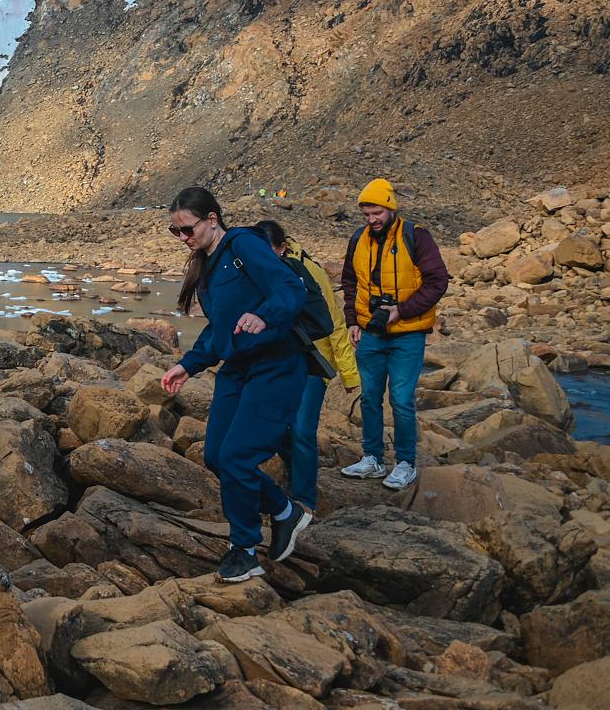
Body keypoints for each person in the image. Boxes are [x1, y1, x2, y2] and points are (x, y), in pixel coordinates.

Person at [160, 187, 311, 582]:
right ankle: (284, 511)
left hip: (275, 364)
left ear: (212, 220)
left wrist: (265, 315)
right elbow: (219, 330)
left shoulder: (244, 244)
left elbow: (290, 288)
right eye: (176, 232)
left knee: (237, 457)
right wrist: (187, 365)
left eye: (187, 229)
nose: (183, 238)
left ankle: (244, 549)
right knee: (215, 456)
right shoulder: (206, 265)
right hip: (238, 368)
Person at [338, 179, 449, 490]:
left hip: (407, 333)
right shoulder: (358, 239)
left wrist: (402, 310)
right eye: (366, 214)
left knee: (400, 399)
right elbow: (350, 282)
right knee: (370, 397)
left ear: (391, 208)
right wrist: (352, 321)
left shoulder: (416, 236)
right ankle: (372, 458)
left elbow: (438, 281)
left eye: (377, 213)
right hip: (370, 331)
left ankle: (405, 463)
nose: (372, 220)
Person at [252, 220, 361, 514]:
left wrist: (349, 373)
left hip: (313, 361)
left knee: (301, 429)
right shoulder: (254, 272)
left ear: (281, 248)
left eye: (266, 251)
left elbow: (334, 321)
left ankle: (304, 501)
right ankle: (294, 471)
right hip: (276, 359)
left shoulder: (309, 272)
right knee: (275, 426)